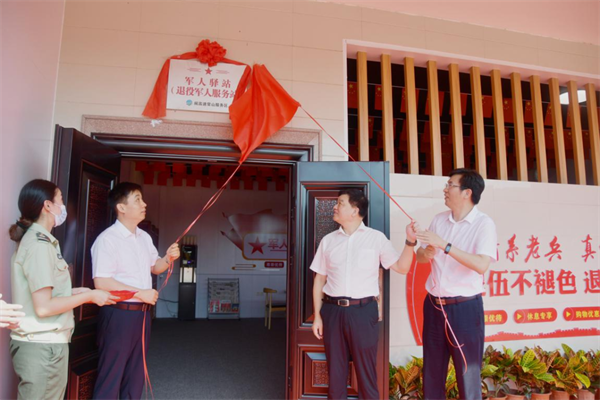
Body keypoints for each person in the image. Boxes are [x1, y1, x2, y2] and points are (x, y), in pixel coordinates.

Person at [8, 179, 115, 400]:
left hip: (42, 344)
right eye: (61, 200)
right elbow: (44, 308)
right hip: (42, 346)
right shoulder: (39, 245)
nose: (63, 206)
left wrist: (75, 293)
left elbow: (43, 294)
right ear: (47, 205)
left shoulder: (41, 241)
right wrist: (90, 295)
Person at [398, 168, 497, 400]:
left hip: (465, 309)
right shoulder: (439, 219)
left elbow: (481, 265)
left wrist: (445, 245)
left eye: (450, 185)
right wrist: (427, 252)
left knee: (467, 374)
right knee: (432, 373)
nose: (445, 189)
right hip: (433, 306)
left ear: (467, 192)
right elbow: (421, 257)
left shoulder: (483, 224)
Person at [310, 188, 410, 400]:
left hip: (363, 312)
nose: (335, 207)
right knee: (335, 371)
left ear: (355, 210)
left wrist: (410, 242)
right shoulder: (328, 240)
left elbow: (402, 267)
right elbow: (319, 279)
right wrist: (317, 316)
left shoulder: (376, 238)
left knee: (366, 372)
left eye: (340, 203)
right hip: (332, 311)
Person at [92, 182, 180, 400]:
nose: (144, 204)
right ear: (121, 207)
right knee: (111, 375)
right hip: (118, 315)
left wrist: (168, 258)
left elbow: (155, 267)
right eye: (138, 200)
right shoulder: (107, 239)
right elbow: (101, 281)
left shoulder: (144, 237)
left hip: (142, 316)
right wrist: (140, 293)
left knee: (135, 375)